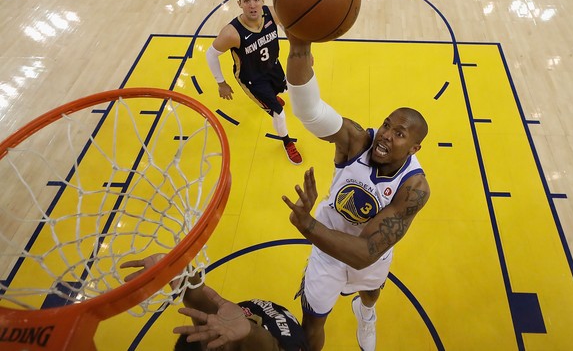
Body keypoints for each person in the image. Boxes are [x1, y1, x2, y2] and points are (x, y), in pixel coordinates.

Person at [280, 32, 431, 351]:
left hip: (366, 254)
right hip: (326, 250)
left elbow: (365, 253)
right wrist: (298, 44)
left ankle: (367, 313)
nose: (386, 135)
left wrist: (307, 224)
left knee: (371, 291)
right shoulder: (357, 141)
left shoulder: (414, 188)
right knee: (311, 326)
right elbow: (309, 111)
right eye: (387, 124)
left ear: (414, 147)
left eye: (399, 133)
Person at [121, 254, 310, 351]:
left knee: (210, 320)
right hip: (239, 319)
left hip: (273, 324)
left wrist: (172, 267)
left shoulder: (285, 342)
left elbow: (195, 295)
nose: (216, 344)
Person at [206, 0, 302, 165]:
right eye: (247, 1)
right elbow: (211, 54)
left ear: (262, 0)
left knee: (288, 89)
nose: (252, 5)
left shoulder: (272, 13)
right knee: (279, 113)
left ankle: (273, 96)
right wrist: (221, 83)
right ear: (239, 4)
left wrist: (300, 50)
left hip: (273, 66)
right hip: (253, 80)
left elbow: (287, 28)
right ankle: (287, 142)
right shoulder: (231, 33)